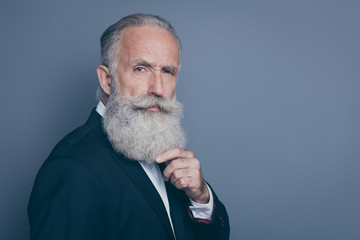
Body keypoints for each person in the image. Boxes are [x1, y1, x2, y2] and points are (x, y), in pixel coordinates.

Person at [28, 13, 230, 240]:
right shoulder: (72, 169)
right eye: (141, 69)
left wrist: (201, 197)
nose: (158, 89)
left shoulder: (161, 149)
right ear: (107, 80)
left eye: (167, 71)